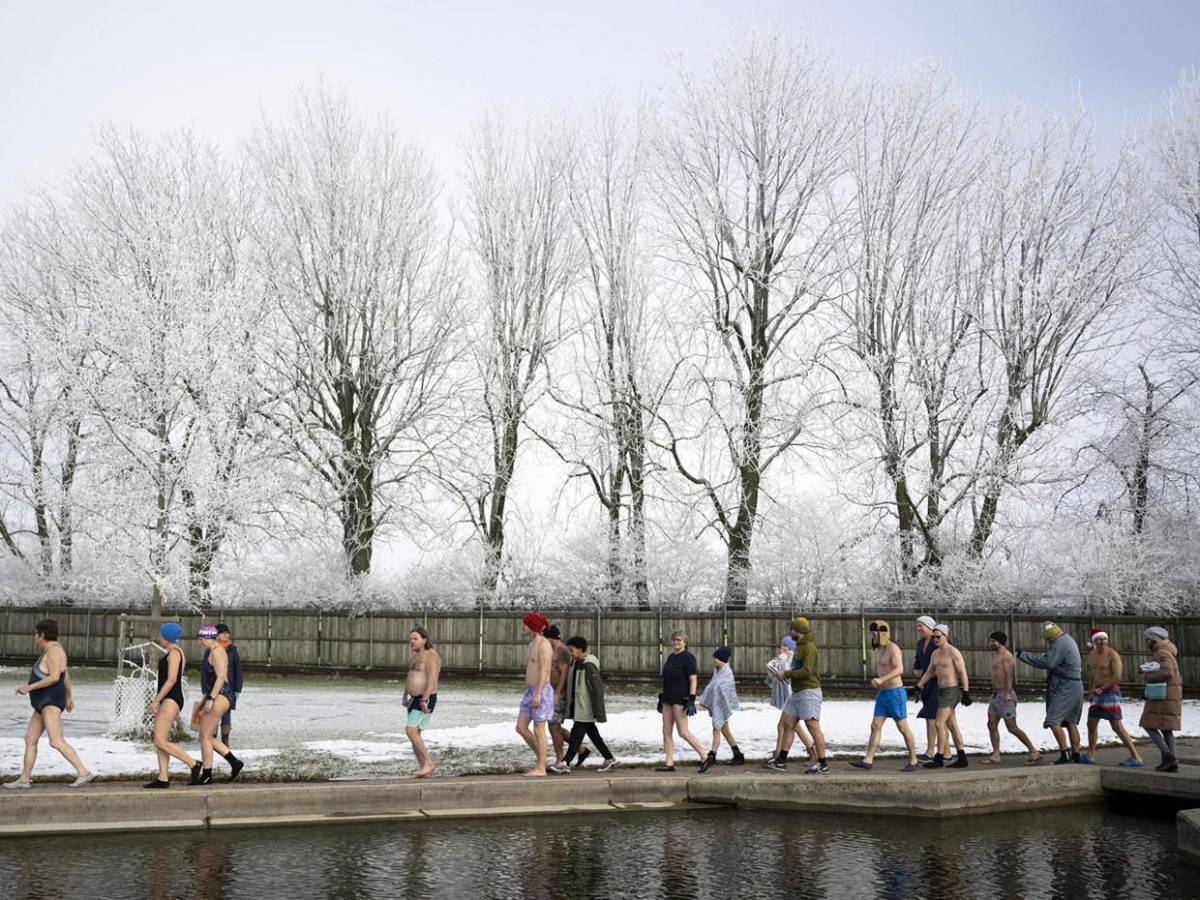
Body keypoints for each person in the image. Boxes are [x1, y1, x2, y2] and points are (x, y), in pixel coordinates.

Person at [5, 619, 94, 789]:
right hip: (44, 703)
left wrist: (28, 687)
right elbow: (65, 676)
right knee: (30, 739)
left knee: (56, 741)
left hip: (50, 702)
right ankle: (24, 779)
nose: (34, 637)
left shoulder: (54, 651)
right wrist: (69, 697)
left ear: (42, 635)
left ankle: (83, 772)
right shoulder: (53, 650)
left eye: (35, 634)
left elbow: (54, 677)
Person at [849, 620, 919, 772]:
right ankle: (868, 759)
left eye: (875, 634)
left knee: (902, 726)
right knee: (875, 725)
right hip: (883, 694)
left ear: (883, 633)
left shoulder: (893, 648)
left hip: (895, 693)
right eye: (872, 634)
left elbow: (900, 669)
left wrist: (881, 679)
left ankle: (914, 759)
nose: (873, 637)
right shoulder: (880, 649)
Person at [766, 617, 828, 774]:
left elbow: (807, 671)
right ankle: (781, 760)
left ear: (798, 631)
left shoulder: (809, 648)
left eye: (792, 629)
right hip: (797, 692)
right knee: (788, 725)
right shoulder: (800, 646)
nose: (790, 632)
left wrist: (786, 674)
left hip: (809, 691)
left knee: (812, 726)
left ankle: (822, 762)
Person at [143, 622, 202, 788]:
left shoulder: (175, 653)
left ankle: (194, 764)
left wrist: (156, 700)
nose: (160, 638)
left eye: (162, 635)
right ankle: (163, 778)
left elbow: (171, 680)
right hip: (169, 698)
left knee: (160, 740)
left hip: (171, 698)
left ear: (166, 637)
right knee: (160, 739)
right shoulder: (173, 652)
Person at [1017, 622, 1084, 765]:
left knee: (1053, 721)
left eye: (1048, 639)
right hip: (1076, 685)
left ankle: (1064, 755)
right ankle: (1076, 755)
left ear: (1051, 635)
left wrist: (1023, 656)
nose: (1048, 642)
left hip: (1066, 687)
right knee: (1071, 722)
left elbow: (1049, 662)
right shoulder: (1068, 640)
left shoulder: (1060, 643)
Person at [550, 636, 617, 774]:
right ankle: (609, 758)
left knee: (575, 736)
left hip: (586, 708)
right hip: (578, 707)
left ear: (580, 650)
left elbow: (597, 689)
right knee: (593, 735)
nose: (569, 653)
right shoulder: (575, 664)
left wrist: (597, 711)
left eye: (571, 650)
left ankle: (565, 763)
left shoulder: (589, 665)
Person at [195, 624, 245, 784]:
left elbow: (221, 677)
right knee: (207, 736)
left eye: (200, 639)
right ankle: (234, 762)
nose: (199, 642)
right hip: (220, 695)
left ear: (206, 638)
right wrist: (205, 699)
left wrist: (211, 699)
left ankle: (207, 774)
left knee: (204, 736)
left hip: (221, 695)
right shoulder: (215, 650)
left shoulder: (216, 652)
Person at [1085, 628, 1142, 768]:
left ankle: (1136, 757)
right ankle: (1090, 755)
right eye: (1099, 639)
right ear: (1094, 641)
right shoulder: (1091, 655)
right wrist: (1090, 690)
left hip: (1110, 692)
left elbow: (1117, 676)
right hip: (1097, 693)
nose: (1103, 641)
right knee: (1091, 723)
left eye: (1104, 639)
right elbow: (1093, 675)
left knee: (1116, 726)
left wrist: (1102, 688)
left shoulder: (1112, 654)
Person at [916, 623, 970, 769]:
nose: (935, 639)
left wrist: (966, 691)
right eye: (933, 637)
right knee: (951, 725)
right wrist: (918, 686)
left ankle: (938, 758)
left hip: (951, 691)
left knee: (939, 723)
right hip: (941, 691)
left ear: (945, 636)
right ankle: (962, 758)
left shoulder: (953, 652)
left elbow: (963, 672)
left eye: (938, 637)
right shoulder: (936, 653)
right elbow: (929, 672)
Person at [983, 632, 1041, 766]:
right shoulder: (997, 655)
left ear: (1000, 642)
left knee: (1012, 727)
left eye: (993, 641)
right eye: (990, 641)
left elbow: (1009, 676)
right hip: (996, 695)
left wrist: (1008, 694)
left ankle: (1033, 751)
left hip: (1005, 695)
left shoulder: (1007, 656)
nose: (991, 643)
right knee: (991, 724)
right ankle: (996, 754)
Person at [656, 630, 707, 772]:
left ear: (685, 642)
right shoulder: (671, 657)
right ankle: (669, 763)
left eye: (679, 640)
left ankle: (705, 756)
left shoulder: (688, 658)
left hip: (680, 698)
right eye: (674, 640)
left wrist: (691, 699)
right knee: (666, 731)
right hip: (667, 698)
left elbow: (693, 679)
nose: (676, 642)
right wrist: (662, 698)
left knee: (683, 731)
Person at [765, 636, 815, 766]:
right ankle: (811, 750)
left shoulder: (790, 660)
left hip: (792, 697)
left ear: (789, 648)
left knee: (782, 726)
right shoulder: (787, 659)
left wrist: (780, 659)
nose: (780, 648)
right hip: (791, 697)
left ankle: (779, 756)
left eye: (783, 646)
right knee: (794, 726)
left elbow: (777, 669)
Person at [1139, 626, 1183, 773]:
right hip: (1170, 696)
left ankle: (1167, 755)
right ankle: (1172, 761)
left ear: (1154, 640)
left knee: (1148, 724)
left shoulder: (1161, 653)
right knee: (1167, 729)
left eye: (1147, 640)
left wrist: (1147, 676)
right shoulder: (1168, 652)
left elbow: (1167, 673)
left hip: (1163, 698)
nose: (1146, 643)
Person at [516, 612, 554, 777]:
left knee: (539, 729)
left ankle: (541, 767)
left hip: (541, 690)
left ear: (532, 626)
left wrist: (538, 694)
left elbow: (545, 670)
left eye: (525, 624)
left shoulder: (544, 644)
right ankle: (543, 759)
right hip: (530, 691)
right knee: (521, 727)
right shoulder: (532, 644)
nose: (522, 626)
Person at [403, 625, 441, 778]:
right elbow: (410, 676)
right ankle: (423, 766)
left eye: (415, 638)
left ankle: (428, 763)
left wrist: (425, 699)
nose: (411, 641)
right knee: (415, 733)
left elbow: (432, 679)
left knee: (410, 731)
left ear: (424, 640)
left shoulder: (431, 655)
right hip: (414, 699)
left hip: (425, 698)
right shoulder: (415, 656)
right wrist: (405, 695)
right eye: (410, 638)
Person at [698, 646, 743, 771]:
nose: (714, 660)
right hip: (717, 705)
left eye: (716, 658)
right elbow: (712, 686)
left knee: (716, 729)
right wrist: (705, 700)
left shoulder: (727, 673)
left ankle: (712, 756)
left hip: (722, 706)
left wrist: (721, 705)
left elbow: (725, 691)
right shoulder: (717, 671)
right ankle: (738, 755)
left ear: (722, 659)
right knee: (725, 730)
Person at [544, 625, 580, 769]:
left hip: (559, 694)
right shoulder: (551, 650)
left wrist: (558, 693)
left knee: (553, 727)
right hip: (550, 693)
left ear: (551, 638)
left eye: (546, 639)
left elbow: (564, 674)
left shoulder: (562, 651)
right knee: (555, 727)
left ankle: (561, 760)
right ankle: (581, 750)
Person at [912, 615, 940, 761]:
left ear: (930, 627)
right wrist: (915, 670)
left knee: (931, 717)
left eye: (920, 626)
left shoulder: (938, 642)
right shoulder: (920, 643)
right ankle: (945, 753)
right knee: (941, 721)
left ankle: (930, 752)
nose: (918, 629)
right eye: (917, 626)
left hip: (938, 684)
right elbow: (918, 661)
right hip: (925, 685)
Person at [214, 623, 243, 747]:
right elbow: (205, 669)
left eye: (227, 633)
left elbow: (238, 669)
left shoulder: (232, 650)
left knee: (226, 713)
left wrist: (237, 688)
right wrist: (205, 688)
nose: (226, 635)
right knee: (213, 713)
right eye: (223, 633)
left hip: (229, 688)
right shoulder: (212, 649)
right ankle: (212, 736)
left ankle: (225, 739)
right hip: (213, 687)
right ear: (217, 635)